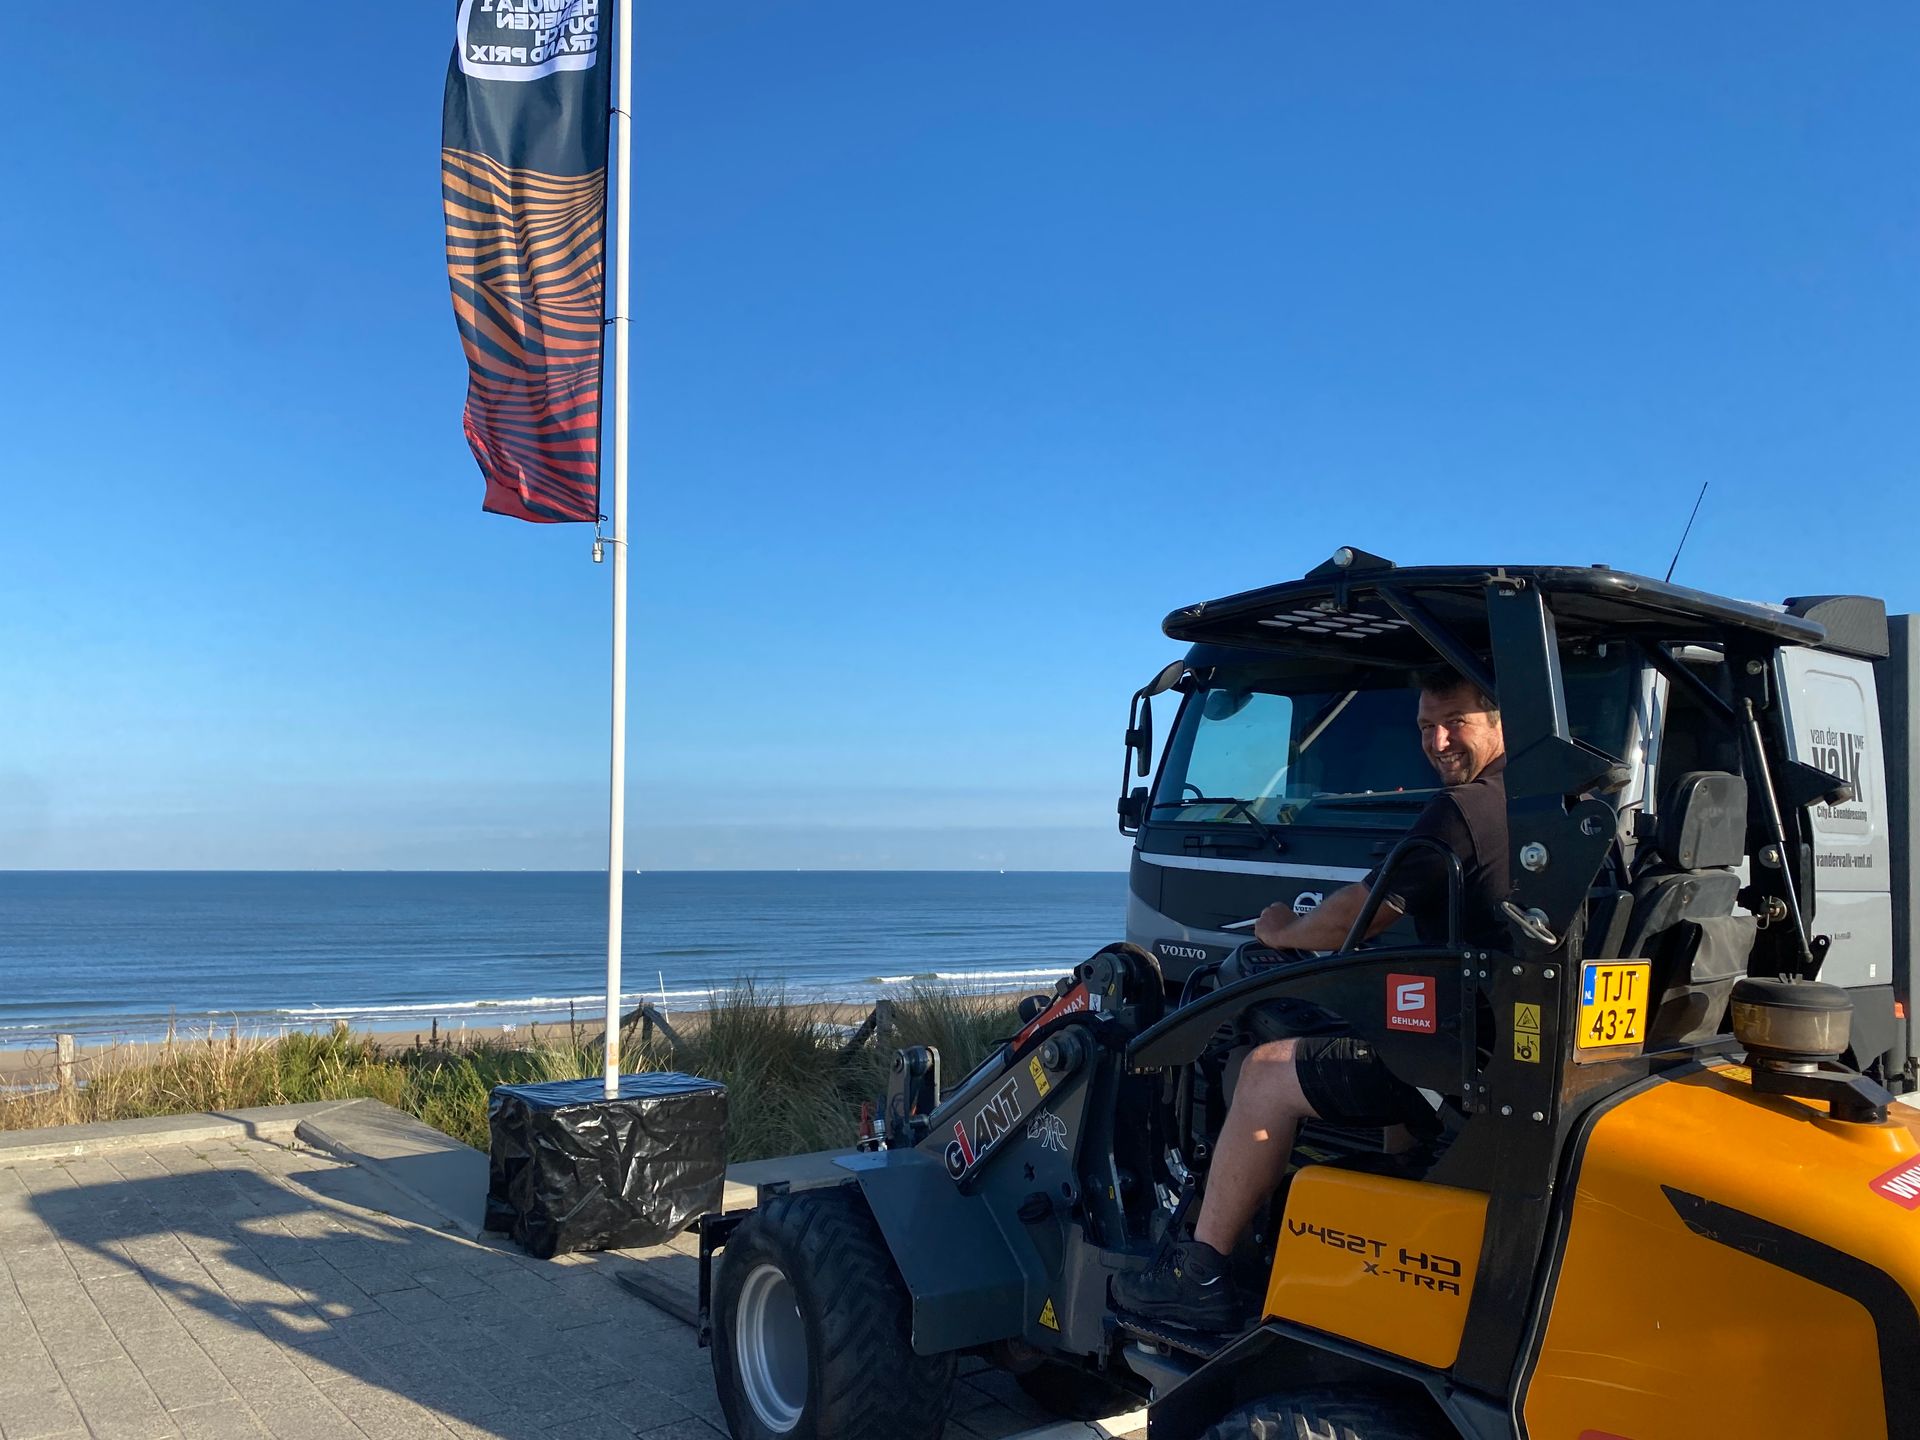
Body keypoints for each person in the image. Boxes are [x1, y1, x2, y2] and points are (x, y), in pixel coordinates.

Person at [1113, 669, 1510, 1330]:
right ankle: (1394, 1187)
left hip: (1470, 1062)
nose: (1438, 741)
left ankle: (1199, 1272)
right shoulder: (1546, 805)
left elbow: (1361, 912)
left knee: (1265, 1073)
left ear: (1499, 723)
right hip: (1503, 1043)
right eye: (1424, 727)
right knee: (1387, 1024)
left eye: (1455, 723)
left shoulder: (1465, 811)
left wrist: (1283, 931)